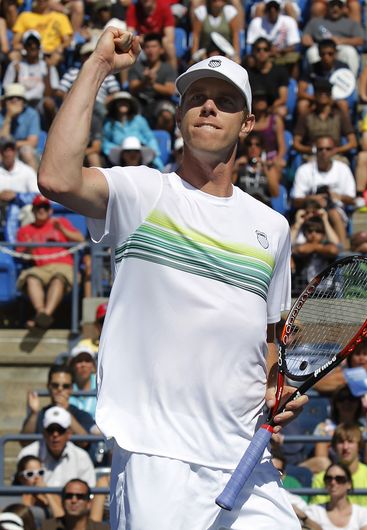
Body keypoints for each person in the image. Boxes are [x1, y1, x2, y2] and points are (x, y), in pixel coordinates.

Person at [37, 26, 308, 529]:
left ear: (248, 123)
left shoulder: (273, 228)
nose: (209, 107)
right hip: (155, 455)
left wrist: (277, 388)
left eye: (225, 101)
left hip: (246, 460)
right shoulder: (142, 192)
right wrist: (97, 66)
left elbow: (267, 342)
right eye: (198, 98)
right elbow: (56, 178)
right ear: (180, 116)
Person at [15, 194, 85, 329]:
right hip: (40, 268)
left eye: (45, 207)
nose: (42, 210)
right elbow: (20, 254)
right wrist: (29, 249)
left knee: (58, 279)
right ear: (33, 211)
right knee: (31, 277)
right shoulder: (25, 230)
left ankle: (42, 317)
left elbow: (80, 239)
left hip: (63, 266)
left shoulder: (61, 223)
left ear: (50, 211)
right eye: (38, 208)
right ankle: (41, 313)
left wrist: (62, 230)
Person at [310, 424, 367, 525]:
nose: (345, 447)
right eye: (341, 442)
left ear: (359, 445)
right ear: (334, 447)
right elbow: (316, 517)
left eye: (350, 442)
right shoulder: (321, 478)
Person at [291, 135, 356, 246]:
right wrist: (313, 199)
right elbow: (295, 200)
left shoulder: (343, 169)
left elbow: (352, 200)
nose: (324, 152)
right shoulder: (304, 170)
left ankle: (344, 250)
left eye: (328, 149)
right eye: (320, 149)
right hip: (310, 209)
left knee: (334, 213)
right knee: (301, 216)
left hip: (336, 209)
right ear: (315, 150)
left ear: (334, 150)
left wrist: (336, 197)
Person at [18, 407, 96, 488]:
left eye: (60, 430)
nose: (55, 434)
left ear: (69, 433)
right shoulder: (27, 453)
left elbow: (88, 493)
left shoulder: (82, 457)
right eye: (50, 429)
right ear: (44, 432)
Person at [21, 364, 98, 441]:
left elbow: (84, 442)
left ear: (71, 388)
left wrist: (66, 411)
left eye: (65, 386)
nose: (60, 389)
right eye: (55, 385)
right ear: (48, 386)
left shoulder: (82, 415)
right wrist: (34, 413)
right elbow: (25, 442)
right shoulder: (40, 415)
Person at [3, 30, 59, 131]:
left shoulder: (47, 66)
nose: (32, 46)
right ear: (24, 47)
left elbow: (49, 94)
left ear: (39, 46)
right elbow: (9, 90)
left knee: (49, 103)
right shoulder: (16, 65)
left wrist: (48, 71)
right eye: (29, 44)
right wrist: (16, 74)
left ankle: (53, 132)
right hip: (19, 101)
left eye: (35, 43)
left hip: (39, 103)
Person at [313, 384, 367, 467]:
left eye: (352, 398)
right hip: (334, 475)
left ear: (358, 403)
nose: (346, 403)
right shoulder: (323, 428)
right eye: (341, 399)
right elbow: (321, 463)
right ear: (335, 403)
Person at [293, 79, 357, 161]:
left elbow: (353, 142)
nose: (323, 95)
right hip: (313, 157)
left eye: (326, 92)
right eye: (320, 92)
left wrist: (336, 150)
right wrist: (310, 150)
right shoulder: (306, 115)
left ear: (331, 94)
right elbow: (296, 143)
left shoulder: (339, 115)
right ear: (314, 94)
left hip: (335, 156)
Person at [302, 0, 365, 76]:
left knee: (350, 52)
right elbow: (305, 37)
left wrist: (342, 41)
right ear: (327, 7)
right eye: (332, 5)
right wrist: (309, 41)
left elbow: (361, 40)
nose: (335, 8)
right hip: (321, 46)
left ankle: (350, 81)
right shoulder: (316, 21)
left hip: (342, 47)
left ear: (343, 8)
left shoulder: (351, 23)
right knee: (311, 52)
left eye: (339, 5)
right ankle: (315, 80)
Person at [303, 463, 367, 530]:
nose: (333, 482)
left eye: (339, 479)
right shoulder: (313, 511)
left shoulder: (362, 513)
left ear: (349, 484)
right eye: (329, 478)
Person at [128, 32, 177, 128]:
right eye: (147, 47)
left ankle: (161, 139)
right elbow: (132, 87)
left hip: (160, 101)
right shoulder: (137, 67)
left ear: (161, 50)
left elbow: (170, 90)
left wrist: (152, 84)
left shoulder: (167, 68)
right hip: (140, 101)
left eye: (154, 46)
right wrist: (144, 82)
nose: (151, 50)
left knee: (166, 115)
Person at [297, 38, 353, 116]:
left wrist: (329, 100)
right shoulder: (311, 68)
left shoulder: (343, 68)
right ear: (319, 54)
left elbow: (347, 90)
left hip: (335, 99)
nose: (326, 57)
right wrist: (317, 99)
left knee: (343, 104)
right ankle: (302, 127)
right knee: (302, 104)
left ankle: (346, 127)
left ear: (335, 53)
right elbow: (301, 92)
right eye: (323, 54)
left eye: (330, 54)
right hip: (315, 99)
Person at [246, 0, 300, 71]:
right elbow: (252, 45)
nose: (272, 11)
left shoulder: (289, 21)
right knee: (250, 59)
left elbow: (293, 46)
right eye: (269, 8)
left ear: (279, 10)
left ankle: (292, 81)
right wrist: (268, 52)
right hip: (263, 56)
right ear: (265, 10)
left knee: (295, 57)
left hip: (282, 55)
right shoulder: (256, 22)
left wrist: (279, 51)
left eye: (275, 8)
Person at [12, 455, 63, 527]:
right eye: (30, 474)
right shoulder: (14, 497)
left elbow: (61, 519)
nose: (37, 477)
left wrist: (47, 492)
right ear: (21, 478)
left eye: (40, 472)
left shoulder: (53, 495)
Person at [291, 215, 339, 292]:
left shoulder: (327, 245)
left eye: (318, 231)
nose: (313, 234)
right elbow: (300, 250)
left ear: (324, 234)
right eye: (310, 231)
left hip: (327, 293)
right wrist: (318, 248)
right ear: (304, 233)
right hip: (304, 293)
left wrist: (314, 247)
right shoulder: (301, 245)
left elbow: (333, 250)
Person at [125, 0, 177, 70]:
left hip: (159, 43)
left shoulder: (164, 7)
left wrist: (154, 42)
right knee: (125, 45)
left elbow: (170, 37)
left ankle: (173, 76)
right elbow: (129, 34)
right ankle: (126, 80)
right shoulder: (133, 8)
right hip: (142, 43)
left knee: (169, 45)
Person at [232, 130, 280, 204]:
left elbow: (275, 194)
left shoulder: (268, 167)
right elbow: (228, 189)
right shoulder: (239, 166)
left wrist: (266, 170)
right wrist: (235, 168)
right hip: (244, 205)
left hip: (264, 205)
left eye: (257, 144)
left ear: (262, 148)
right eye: (249, 144)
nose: (253, 147)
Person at [0, 83, 41, 169]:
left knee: (26, 151)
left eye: (18, 98)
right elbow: (2, 140)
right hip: (4, 150)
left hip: (21, 149)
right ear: (5, 102)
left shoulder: (31, 114)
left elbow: (32, 142)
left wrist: (12, 145)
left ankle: (35, 181)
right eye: (11, 98)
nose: (14, 100)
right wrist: (9, 117)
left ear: (23, 102)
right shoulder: (1, 115)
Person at [245, 38, 289, 118]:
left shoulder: (281, 71)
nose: (262, 52)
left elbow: (283, 98)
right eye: (258, 50)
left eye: (265, 49)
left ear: (270, 52)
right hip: (254, 109)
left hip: (273, 109)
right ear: (253, 52)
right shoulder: (248, 74)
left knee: (282, 111)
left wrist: (270, 108)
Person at [41, 479, 110, 530]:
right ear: (62, 501)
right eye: (69, 496)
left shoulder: (102, 529)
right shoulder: (47, 527)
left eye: (80, 496)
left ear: (89, 503)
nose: (74, 500)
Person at [68, 345, 97, 419]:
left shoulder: (101, 385)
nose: (83, 365)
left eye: (87, 360)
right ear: (72, 365)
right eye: (79, 361)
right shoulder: (65, 386)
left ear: (93, 366)